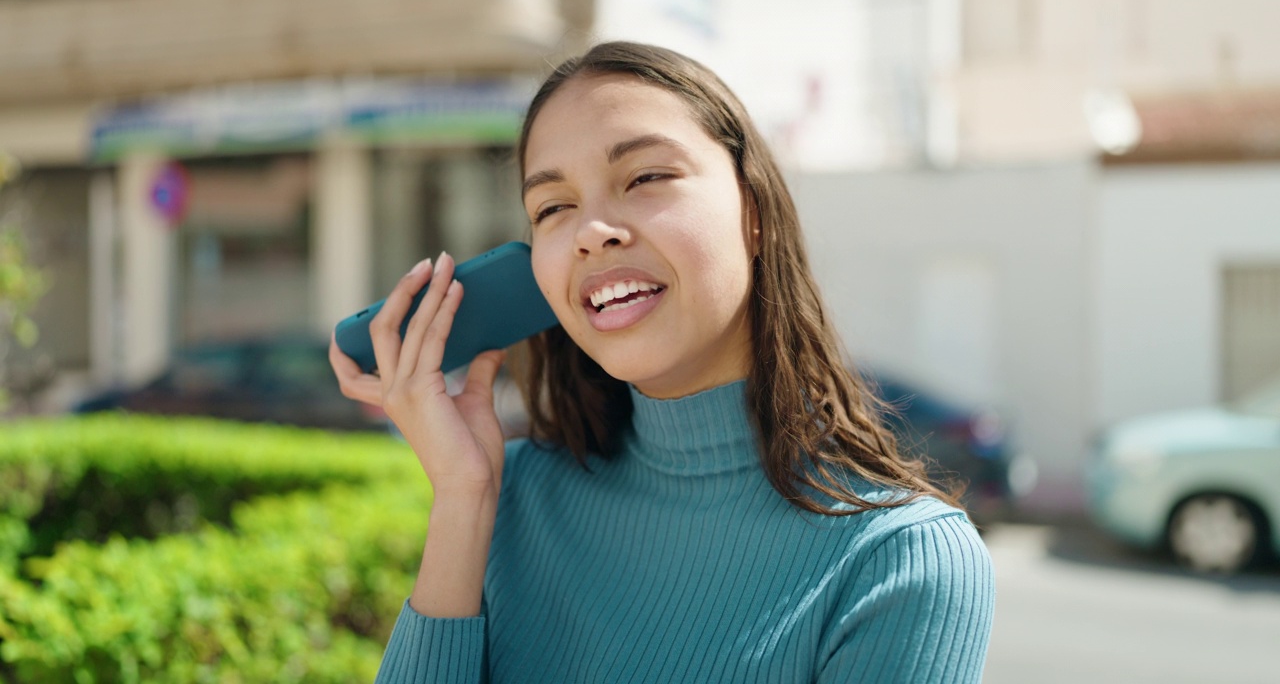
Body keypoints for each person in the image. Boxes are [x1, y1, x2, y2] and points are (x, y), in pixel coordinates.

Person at [329, 41, 995, 684]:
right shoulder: (513, 496)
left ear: (754, 213)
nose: (593, 230)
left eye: (646, 176)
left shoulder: (902, 562)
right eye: (553, 208)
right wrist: (463, 498)